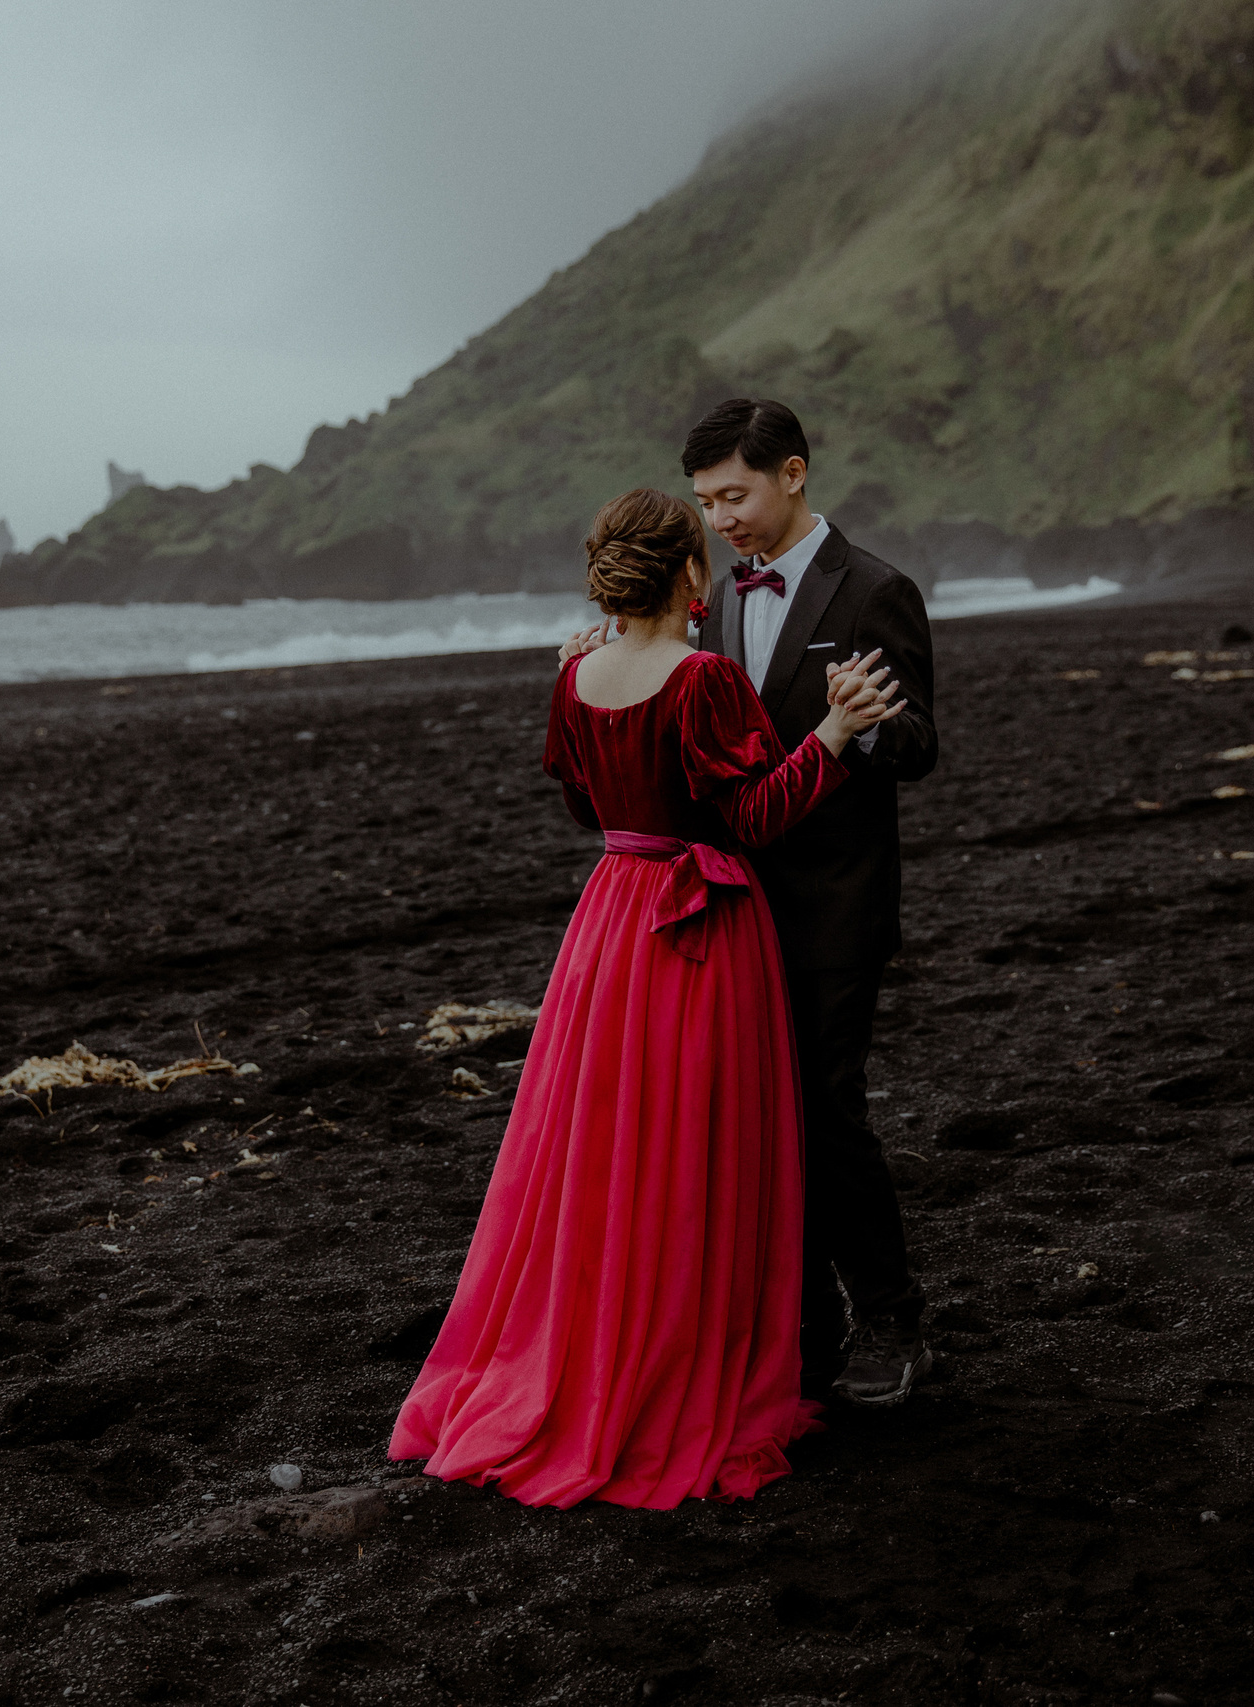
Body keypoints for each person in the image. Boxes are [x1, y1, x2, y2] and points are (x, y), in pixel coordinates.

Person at [389, 488, 902, 1509]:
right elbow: (755, 817)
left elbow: (584, 802)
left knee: (602, 1150)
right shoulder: (704, 679)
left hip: (610, 924)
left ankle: (591, 1349)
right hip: (701, 929)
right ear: (688, 578)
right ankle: (683, 1358)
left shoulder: (577, 675)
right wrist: (838, 730)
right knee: (695, 1153)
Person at [564, 398, 941, 1409]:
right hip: (725, 910)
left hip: (832, 908)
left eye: (733, 494)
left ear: (793, 474)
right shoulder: (712, 604)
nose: (721, 517)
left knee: (825, 1117)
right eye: (704, 502)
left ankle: (889, 1320)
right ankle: (795, 1326)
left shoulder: (876, 591)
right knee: (749, 1128)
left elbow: (917, 748)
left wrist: (848, 726)